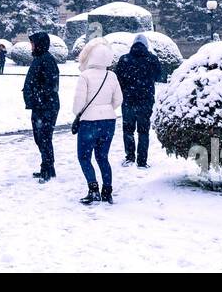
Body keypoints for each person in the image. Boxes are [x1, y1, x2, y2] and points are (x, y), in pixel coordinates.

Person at [73, 41, 123, 204]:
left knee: (84, 157)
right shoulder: (112, 76)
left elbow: (78, 105)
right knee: (103, 157)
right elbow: (118, 100)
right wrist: (107, 108)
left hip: (89, 122)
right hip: (108, 121)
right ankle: (107, 191)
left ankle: (93, 189)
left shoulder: (85, 76)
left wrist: (80, 113)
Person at [113, 34, 161, 168]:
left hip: (128, 100)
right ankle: (142, 161)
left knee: (128, 130)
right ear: (146, 46)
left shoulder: (124, 59)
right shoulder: (151, 59)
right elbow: (159, 76)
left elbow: (118, 80)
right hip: (145, 100)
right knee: (143, 131)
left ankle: (129, 157)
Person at [22, 31, 61, 182]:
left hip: (46, 107)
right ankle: (47, 168)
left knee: (44, 138)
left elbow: (51, 85)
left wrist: (38, 97)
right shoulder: (40, 58)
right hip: (41, 106)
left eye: (33, 43)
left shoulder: (46, 60)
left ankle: (48, 169)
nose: (31, 46)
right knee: (41, 138)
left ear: (39, 44)